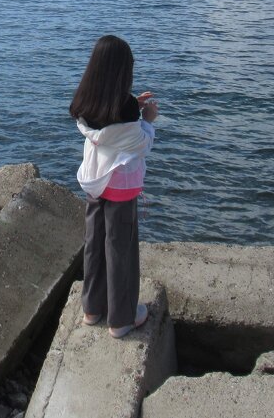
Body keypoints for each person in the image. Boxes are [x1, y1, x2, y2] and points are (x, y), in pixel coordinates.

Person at [70, 35, 158, 339]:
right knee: (121, 248)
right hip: (121, 187)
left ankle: (92, 309)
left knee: (94, 242)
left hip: (94, 182)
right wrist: (148, 119)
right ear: (123, 72)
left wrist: (134, 105)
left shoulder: (85, 104)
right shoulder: (129, 110)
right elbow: (141, 143)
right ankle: (121, 319)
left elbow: (111, 127)